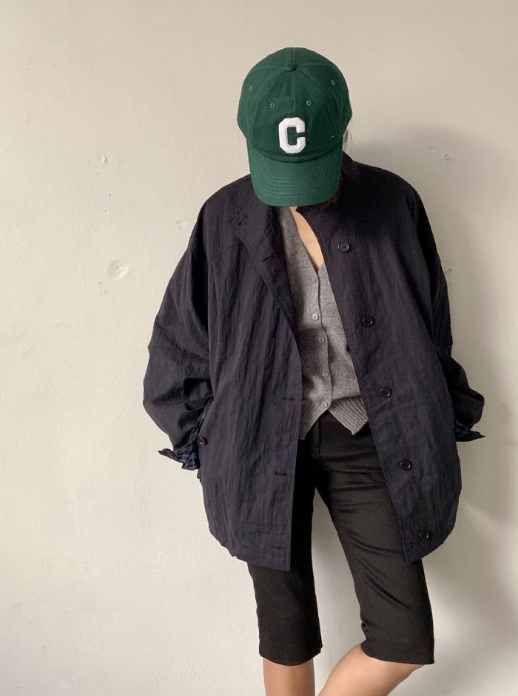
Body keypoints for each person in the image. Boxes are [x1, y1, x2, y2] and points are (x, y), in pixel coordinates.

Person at [143, 46, 485, 696]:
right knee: (286, 632)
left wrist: (438, 410)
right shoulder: (224, 217)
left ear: (341, 132)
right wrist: (205, 439)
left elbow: (429, 323)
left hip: (368, 431)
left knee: (403, 637)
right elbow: (180, 341)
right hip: (257, 438)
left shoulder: (393, 203)